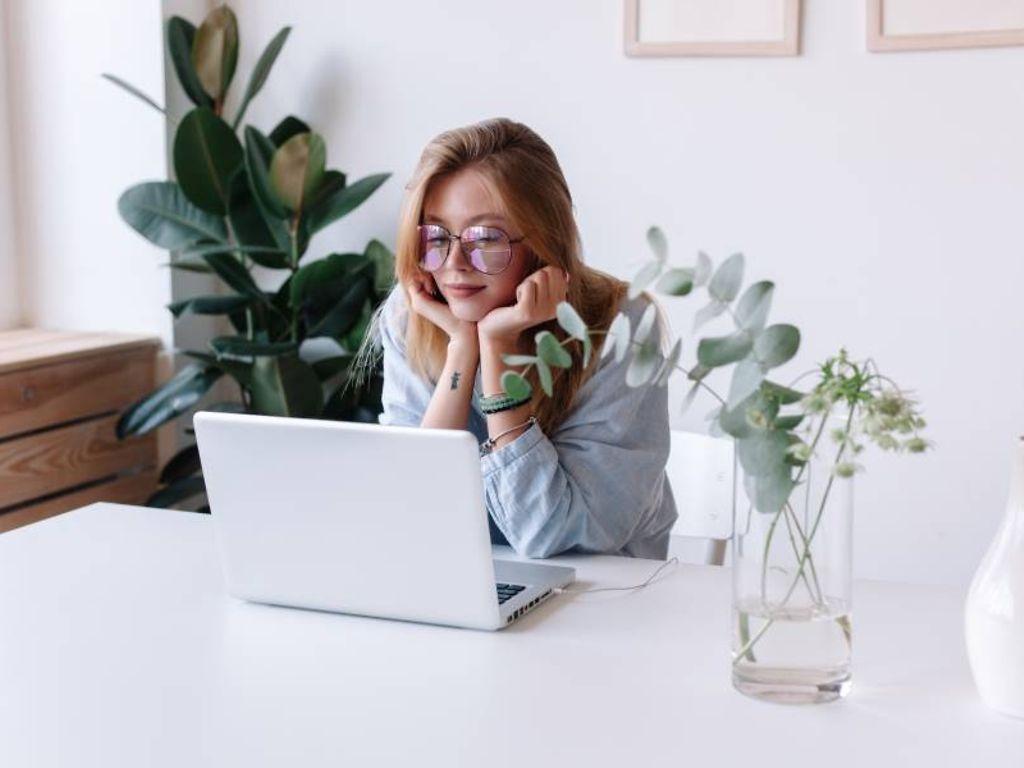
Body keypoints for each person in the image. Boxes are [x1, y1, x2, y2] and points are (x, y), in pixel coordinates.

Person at [351, 117, 678, 559]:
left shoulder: (620, 325)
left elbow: (553, 535)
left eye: (485, 237)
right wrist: (462, 350)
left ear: (543, 242)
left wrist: (498, 349)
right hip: (464, 583)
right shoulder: (414, 315)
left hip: (602, 591)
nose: (453, 263)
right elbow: (416, 512)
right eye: (436, 235)